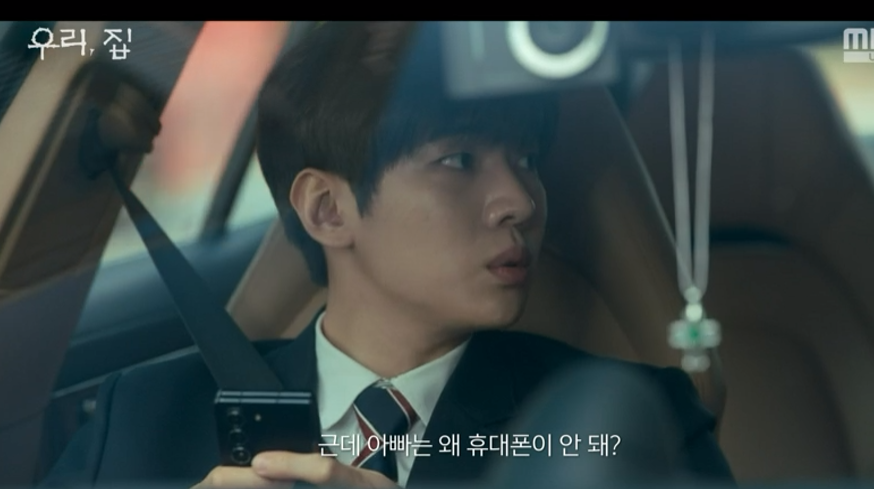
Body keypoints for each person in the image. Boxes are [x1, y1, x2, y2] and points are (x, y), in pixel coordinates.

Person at [42, 21, 733, 488]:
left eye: (527, 158)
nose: (521, 200)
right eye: (459, 160)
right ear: (327, 209)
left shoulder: (632, 424)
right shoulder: (144, 416)